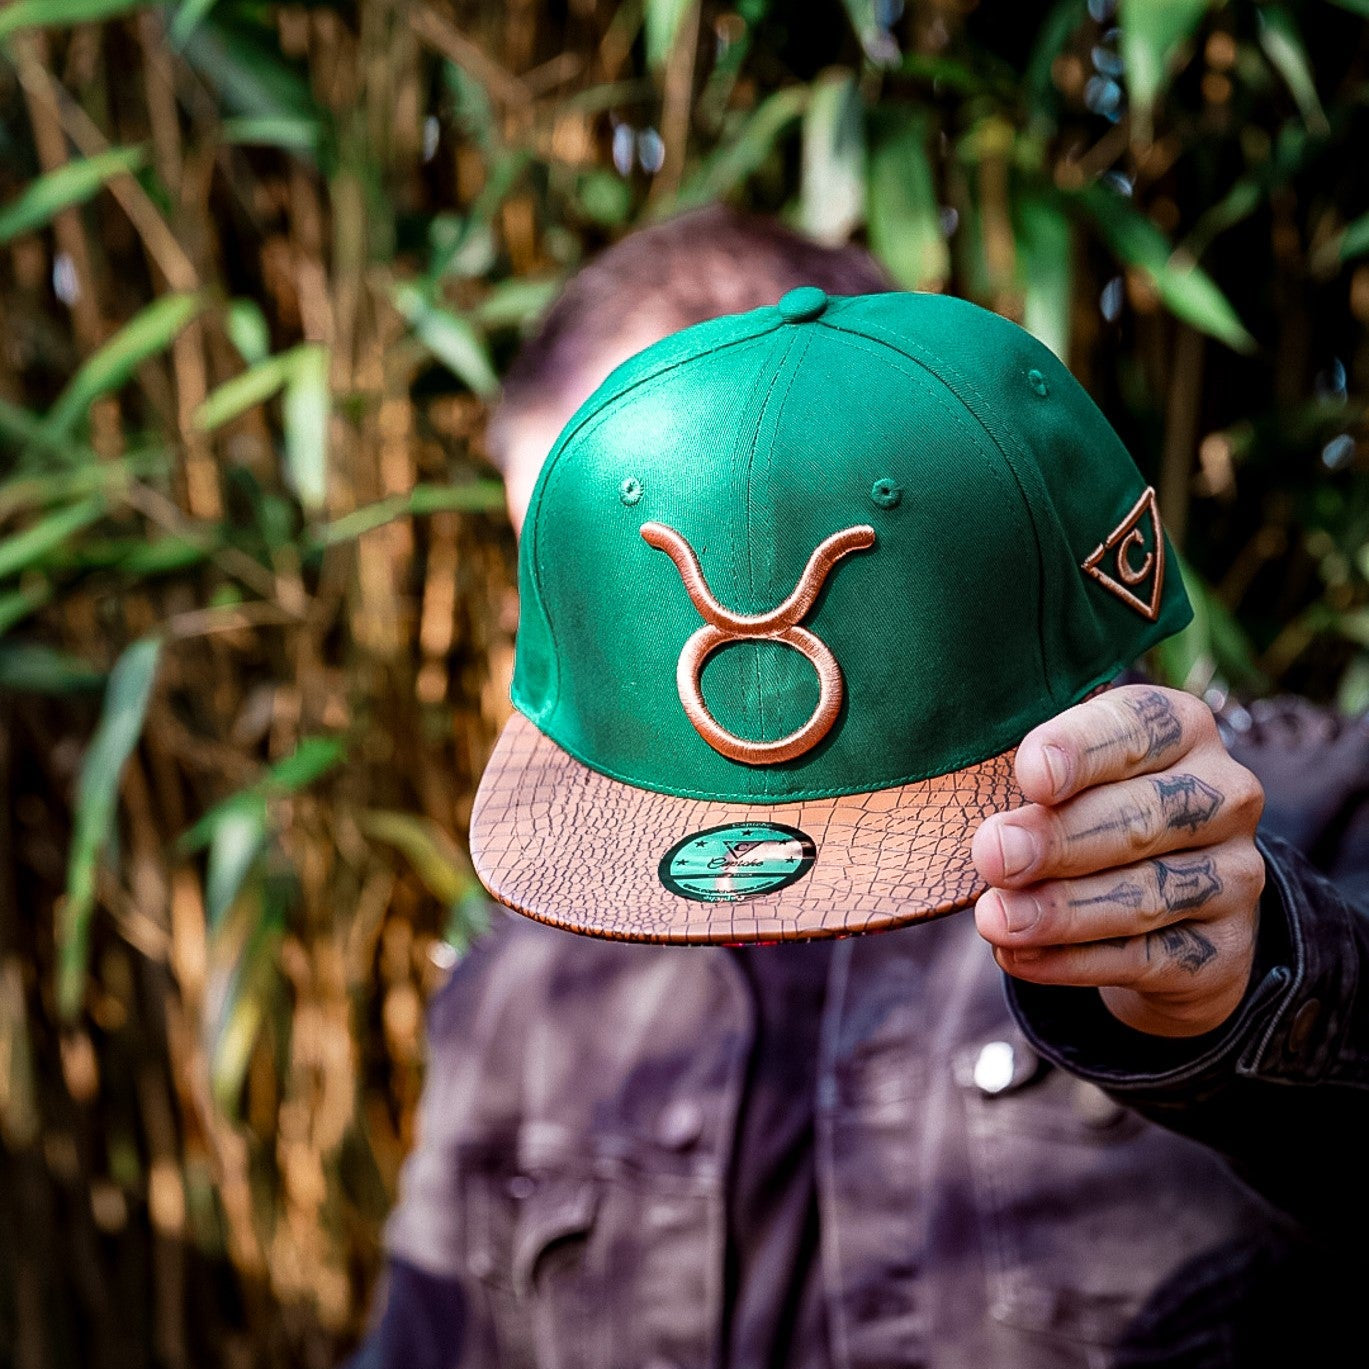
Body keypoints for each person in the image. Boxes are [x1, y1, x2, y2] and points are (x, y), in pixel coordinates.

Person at [349, 207, 1369, 1369]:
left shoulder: (1274, 837)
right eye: (571, 564)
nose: (606, 625)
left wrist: (1255, 992)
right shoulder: (533, 982)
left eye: (645, 546)